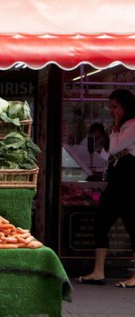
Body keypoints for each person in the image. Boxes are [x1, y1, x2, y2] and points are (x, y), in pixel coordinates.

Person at [78, 89, 135, 288]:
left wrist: (117, 131)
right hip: (117, 184)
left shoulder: (132, 125)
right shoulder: (120, 127)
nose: (112, 111)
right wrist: (116, 131)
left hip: (129, 184)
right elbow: (111, 151)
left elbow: (115, 149)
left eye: (115, 107)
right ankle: (98, 271)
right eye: (111, 107)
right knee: (101, 223)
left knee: (132, 227)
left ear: (125, 107)